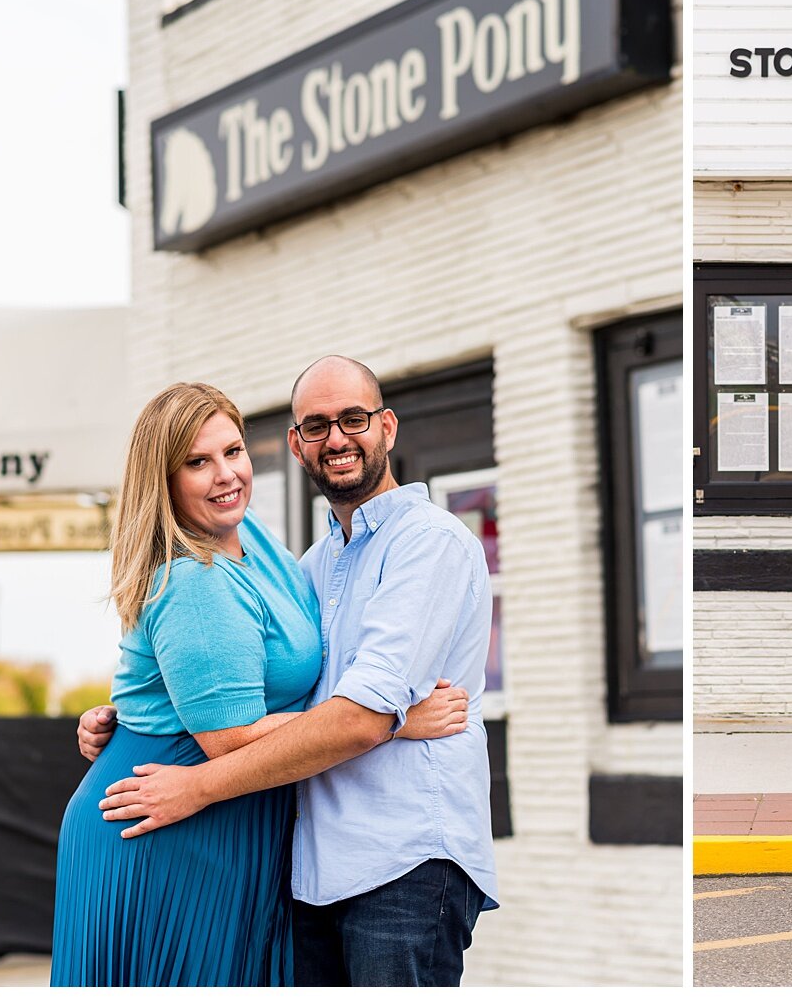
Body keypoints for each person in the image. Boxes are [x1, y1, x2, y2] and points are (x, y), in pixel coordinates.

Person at [87, 356, 498, 986]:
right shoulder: (309, 563)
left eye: (354, 419)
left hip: (404, 859)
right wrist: (135, 717)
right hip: (311, 867)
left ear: (387, 427)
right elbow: (254, 685)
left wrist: (196, 786)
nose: (337, 439)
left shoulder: (428, 544)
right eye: (317, 425)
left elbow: (359, 718)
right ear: (295, 445)